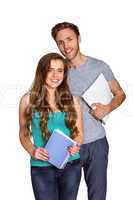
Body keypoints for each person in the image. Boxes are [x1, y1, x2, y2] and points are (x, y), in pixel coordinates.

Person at [51, 22, 126, 200]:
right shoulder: (57, 72)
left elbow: (120, 93)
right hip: (67, 144)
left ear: (79, 39)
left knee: (97, 196)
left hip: (96, 144)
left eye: (69, 39)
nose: (65, 46)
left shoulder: (99, 66)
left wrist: (108, 107)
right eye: (60, 42)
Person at [19, 52, 83, 200]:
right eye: (50, 70)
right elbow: (23, 134)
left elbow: (79, 133)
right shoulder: (27, 100)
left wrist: (76, 145)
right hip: (41, 167)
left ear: (64, 74)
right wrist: (33, 150)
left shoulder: (73, 100)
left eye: (60, 71)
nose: (55, 75)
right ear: (42, 72)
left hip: (71, 164)